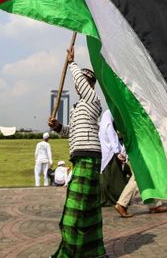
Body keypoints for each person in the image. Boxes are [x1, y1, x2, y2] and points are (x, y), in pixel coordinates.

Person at [47, 46, 105, 258]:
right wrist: (58, 128)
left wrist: (72, 63)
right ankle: (92, 251)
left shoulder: (92, 101)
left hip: (90, 157)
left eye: (83, 83)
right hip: (81, 158)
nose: (78, 86)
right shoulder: (78, 107)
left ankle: (71, 252)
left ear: (90, 85)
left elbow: (80, 81)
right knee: (87, 209)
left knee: (75, 212)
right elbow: (71, 133)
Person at [99, 109, 131, 206]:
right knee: (115, 178)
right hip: (111, 154)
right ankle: (119, 199)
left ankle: (107, 198)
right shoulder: (108, 124)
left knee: (107, 177)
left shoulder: (103, 124)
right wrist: (117, 152)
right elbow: (112, 137)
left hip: (106, 154)